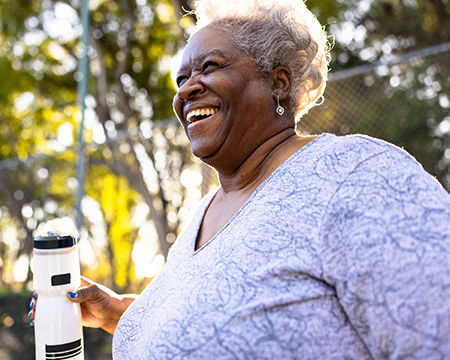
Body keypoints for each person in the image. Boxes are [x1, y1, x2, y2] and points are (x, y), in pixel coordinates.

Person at [29, 0, 450, 358]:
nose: (187, 89)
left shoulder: (356, 175)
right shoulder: (202, 215)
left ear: (278, 83)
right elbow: (238, 319)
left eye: (209, 67)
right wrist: (125, 314)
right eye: (181, 79)